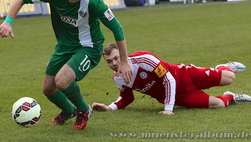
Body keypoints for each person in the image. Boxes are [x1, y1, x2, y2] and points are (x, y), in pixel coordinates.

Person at [0, 0, 132, 130]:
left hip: (89, 48)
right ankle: (68, 110)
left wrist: (124, 61)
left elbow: (117, 28)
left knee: (61, 81)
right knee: (48, 88)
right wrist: (8, 21)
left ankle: (84, 109)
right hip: (63, 46)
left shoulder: (94, 1)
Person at [92, 44, 250, 114]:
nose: (114, 63)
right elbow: (126, 98)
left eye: (116, 58)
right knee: (220, 104)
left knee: (230, 77)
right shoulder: (118, 79)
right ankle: (233, 96)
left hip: (185, 75)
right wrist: (109, 107)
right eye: (109, 61)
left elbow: (168, 79)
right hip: (181, 97)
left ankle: (224, 67)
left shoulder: (143, 58)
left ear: (123, 53)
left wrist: (168, 109)